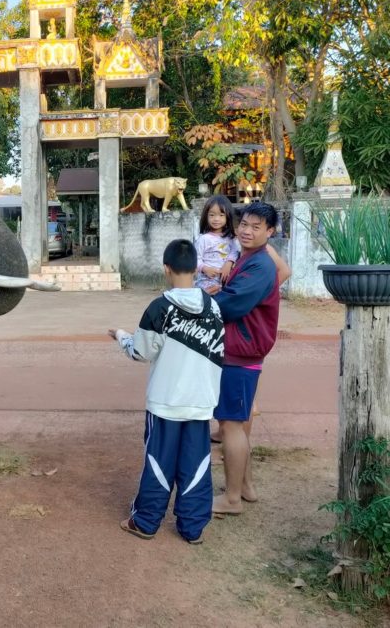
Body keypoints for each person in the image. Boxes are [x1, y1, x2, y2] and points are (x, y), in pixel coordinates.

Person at [109, 239, 224, 545]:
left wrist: (121, 336)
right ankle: (192, 528)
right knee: (196, 464)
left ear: (166, 269)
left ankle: (145, 522)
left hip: (165, 403)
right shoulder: (214, 307)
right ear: (195, 267)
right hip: (201, 402)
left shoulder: (159, 308)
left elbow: (140, 353)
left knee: (159, 462)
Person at [210, 202, 280, 516]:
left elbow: (234, 304)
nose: (246, 231)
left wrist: (198, 302)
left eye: (255, 227)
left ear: (270, 232)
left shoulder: (261, 264)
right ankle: (246, 488)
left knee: (231, 426)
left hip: (240, 352)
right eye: (244, 225)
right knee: (238, 424)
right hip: (243, 350)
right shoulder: (249, 257)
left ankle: (232, 499)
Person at [195, 195, 241, 293]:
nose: (216, 219)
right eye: (212, 215)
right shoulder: (203, 239)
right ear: (206, 216)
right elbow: (196, 258)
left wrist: (229, 263)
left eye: (221, 215)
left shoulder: (230, 238)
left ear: (227, 216)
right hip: (207, 280)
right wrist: (205, 268)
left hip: (226, 279)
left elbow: (234, 251)